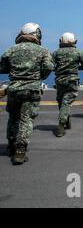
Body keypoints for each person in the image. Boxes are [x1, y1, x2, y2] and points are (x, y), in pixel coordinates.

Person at [0, 23, 53, 165]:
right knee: (26, 119)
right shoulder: (43, 51)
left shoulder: (10, 50)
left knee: (13, 118)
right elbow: (48, 67)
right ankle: (20, 150)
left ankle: (11, 146)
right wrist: (39, 75)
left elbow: (2, 67)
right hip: (31, 89)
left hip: (13, 89)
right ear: (37, 34)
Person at [52, 32, 83, 137]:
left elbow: (50, 66)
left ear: (61, 41)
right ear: (74, 41)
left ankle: (66, 121)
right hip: (72, 80)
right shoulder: (79, 52)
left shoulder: (56, 53)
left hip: (59, 80)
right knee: (66, 102)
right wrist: (76, 67)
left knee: (61, 101)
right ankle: (62, 124)